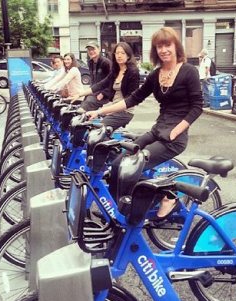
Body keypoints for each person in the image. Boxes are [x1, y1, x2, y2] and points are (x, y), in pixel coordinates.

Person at [86, 27, 203, 219]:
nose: (164, 50)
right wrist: (98, 111)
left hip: (175, 137)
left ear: (176, 47)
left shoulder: (188, 71)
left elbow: (197, 106)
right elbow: (132, 99)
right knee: (118, 164)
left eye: (167, 45)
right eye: (159, 46)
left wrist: (177, 131)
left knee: (133, 166)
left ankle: (169, 195)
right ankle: (117, 212)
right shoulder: (156, 74)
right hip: (157, 130)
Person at [73, 41, 140, 130]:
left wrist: (104, 110)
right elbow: (100, 84)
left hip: (125, 112)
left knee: (97, 131)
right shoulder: (115, 71)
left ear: (128, 55)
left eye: (122, 53)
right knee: (88, 123)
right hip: (113, 108)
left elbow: (130, 100)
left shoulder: (133, 72)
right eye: (117, 53)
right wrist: (80, 94)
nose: (119, 56)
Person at [80, 41, 111, 111]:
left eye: (93, 49)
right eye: (89, 50)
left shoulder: (105, 62)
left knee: (83, 109)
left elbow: (113, 79)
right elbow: (93, 81)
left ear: (99, 49)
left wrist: (104, 93)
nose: (91, 51)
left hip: (103, 95)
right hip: (94, 92)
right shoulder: (90, 62)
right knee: (80, 105)